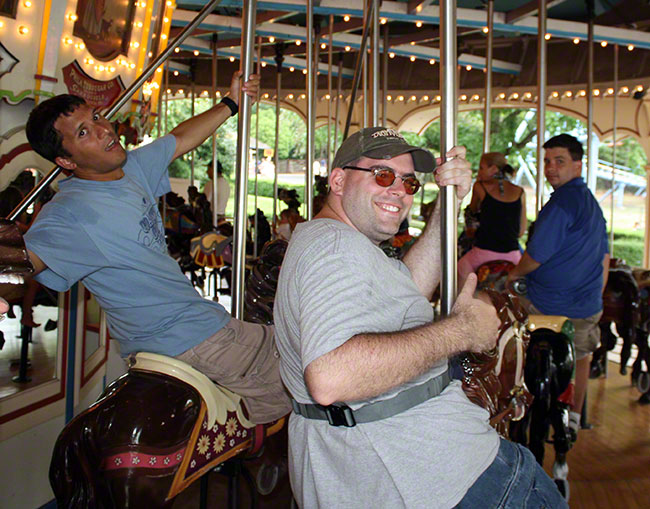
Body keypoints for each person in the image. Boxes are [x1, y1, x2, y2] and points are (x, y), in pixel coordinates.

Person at [273, 127, 567, 508]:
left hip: (403, 462)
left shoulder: (340, 243)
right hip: (439, 470)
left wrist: (449, 207)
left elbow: (409, 286)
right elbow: (332, 376)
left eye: (409, 182)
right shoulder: (334, 247)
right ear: (339, 180)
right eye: (382, 175)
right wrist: (461, 331)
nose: (399, 189)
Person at [21, 71, 291, 424]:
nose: (104, 130)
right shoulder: (68, 214)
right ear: (67, 162)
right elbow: (27, 259)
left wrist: (232, 102)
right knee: (304, 377)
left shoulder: (130, 168)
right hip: (191, 337)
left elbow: (178, 139)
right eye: (83, 133)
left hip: (183, 328)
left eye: (96, 117)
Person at [507, 133, 609, 442]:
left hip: (545, 303)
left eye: (559, 161)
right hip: (586, 306)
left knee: (497, 314)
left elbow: (534, 257)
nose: (551, 168)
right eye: (548, 162)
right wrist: (594, 297)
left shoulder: (561, 203)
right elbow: (604, 258)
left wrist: (512, 275)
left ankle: (510, 396)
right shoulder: (591, 203)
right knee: (581, 355)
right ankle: (575, 417)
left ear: (578, 164)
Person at [458, 152, 527, 285]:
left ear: (494, 169)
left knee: (460, 267)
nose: (479, 172)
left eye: (481, 168)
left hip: (484, 252)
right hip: (513, 255)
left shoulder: (480, 187)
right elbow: (520, 231)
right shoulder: (520, 192)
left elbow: (472, 211)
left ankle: (458, 303)